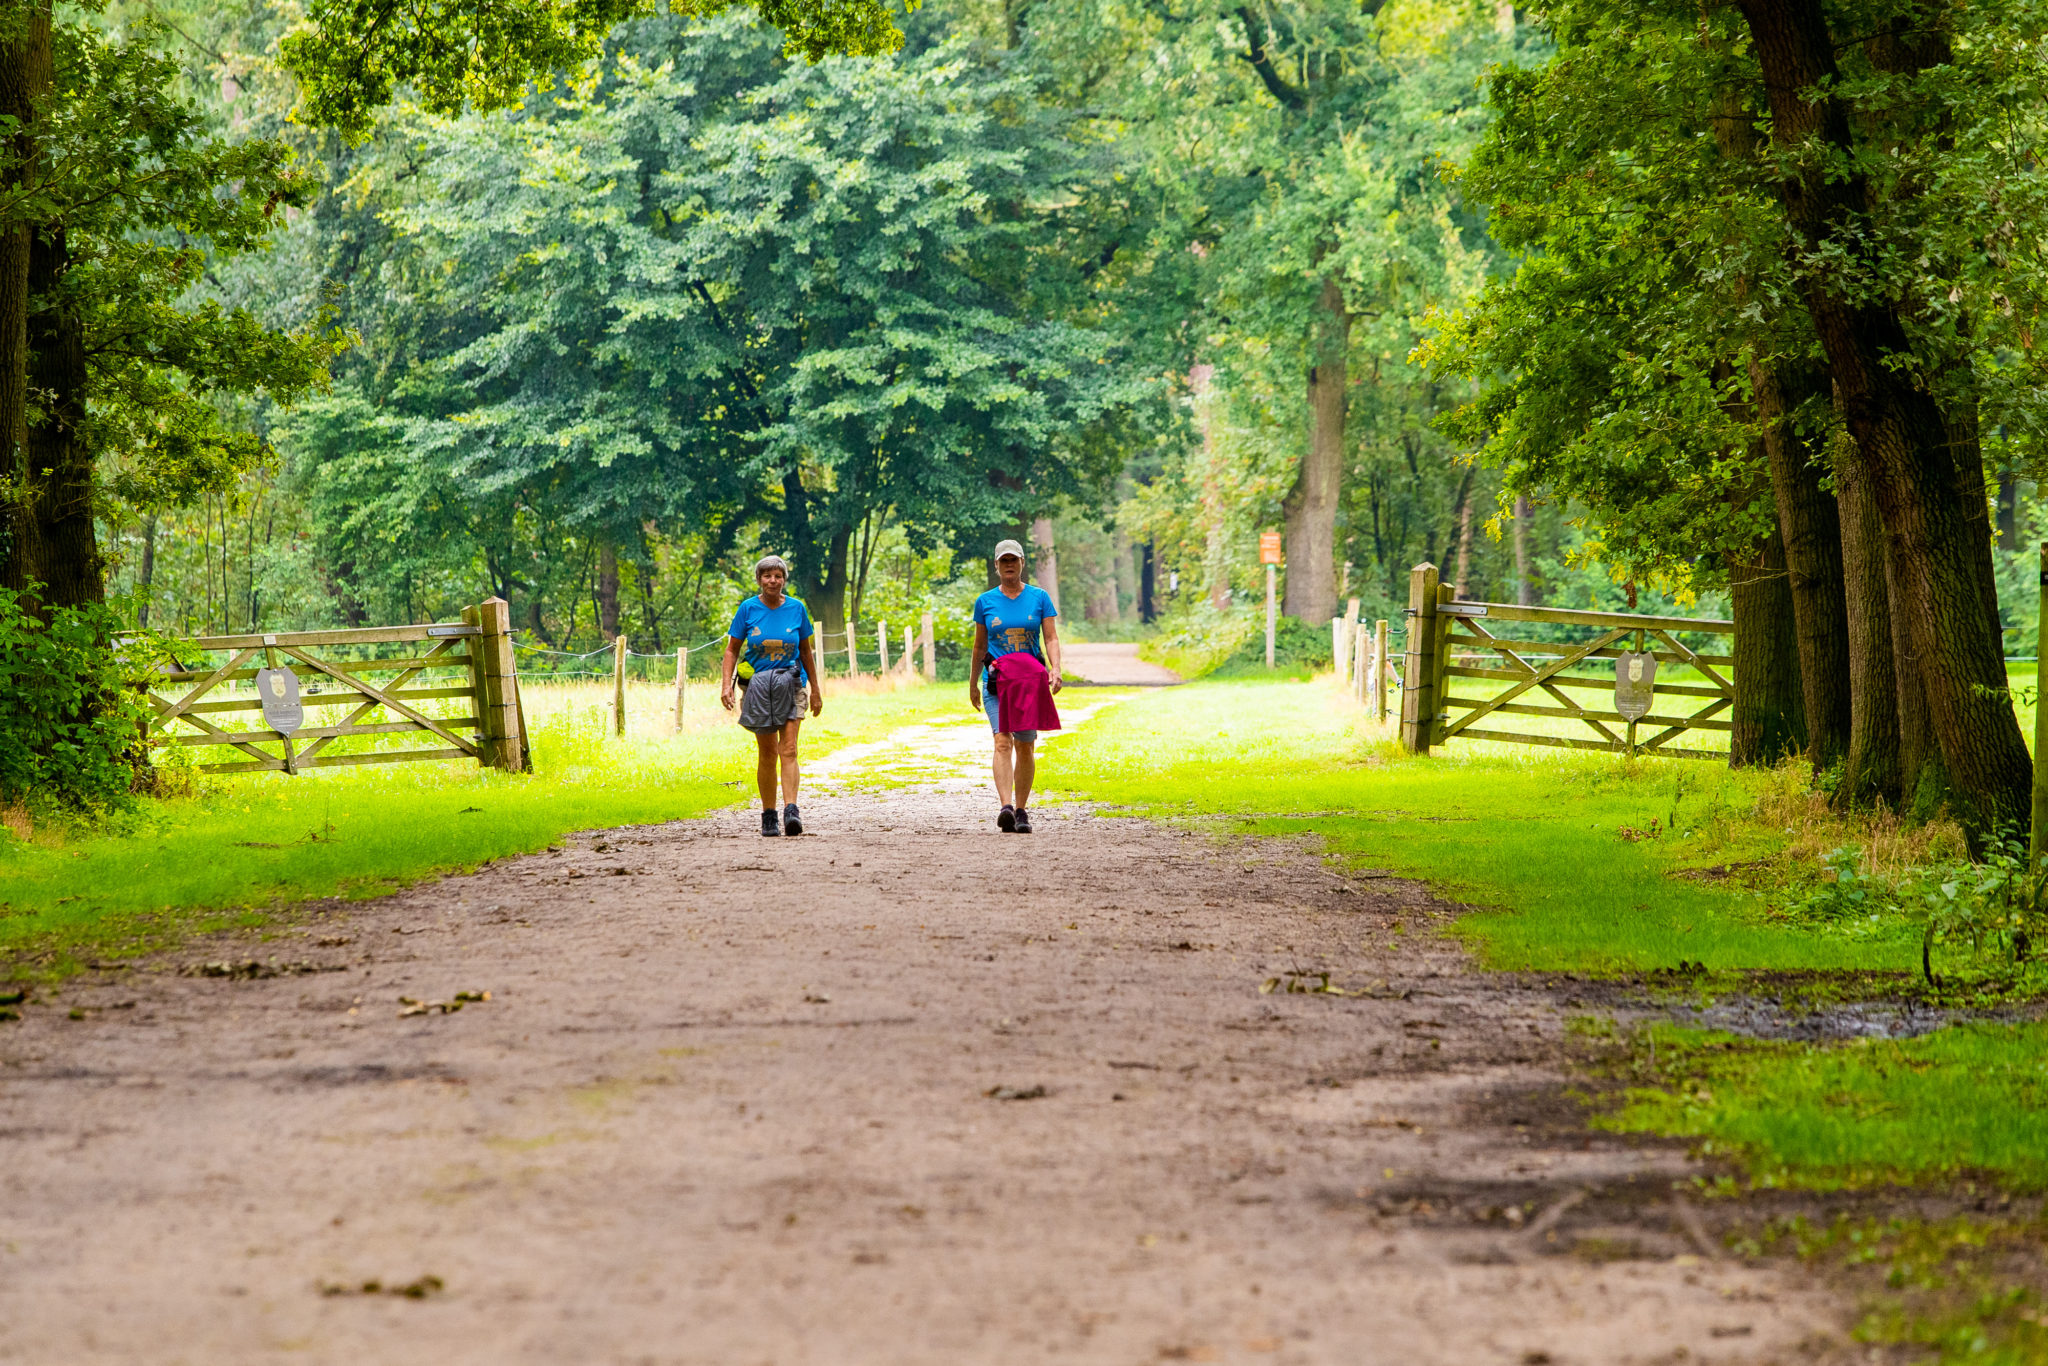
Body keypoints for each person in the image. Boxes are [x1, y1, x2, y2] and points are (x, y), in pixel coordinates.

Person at [721, 556, 823, 836]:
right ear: (759, 580)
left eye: (777, 576)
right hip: (758, 687)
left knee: (788, 748)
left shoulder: (796, 608)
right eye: (767, 576)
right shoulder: (748, 609)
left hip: (792, 683)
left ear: (784, 580)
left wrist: (815, 690)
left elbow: (805, 651)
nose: (772, 581)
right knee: (767, 753)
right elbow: (732, 650)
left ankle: (792, 811)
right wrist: (726, 686)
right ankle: (769, 814)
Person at [968, 538, 1062, 833]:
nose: (1009, 565)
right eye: (1003, 561)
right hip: (996, 683)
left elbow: (1050, 638)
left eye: (1014, 560)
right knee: (1002, 741)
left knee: (1025, 744)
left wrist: (1055, 667)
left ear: (1022, 563)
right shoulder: (985, 602)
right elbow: (979, 646)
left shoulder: (1039, 597)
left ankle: (1021, 810)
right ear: (996, 566)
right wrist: (973, 683)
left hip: (1029, 683)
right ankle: (1005, 806)